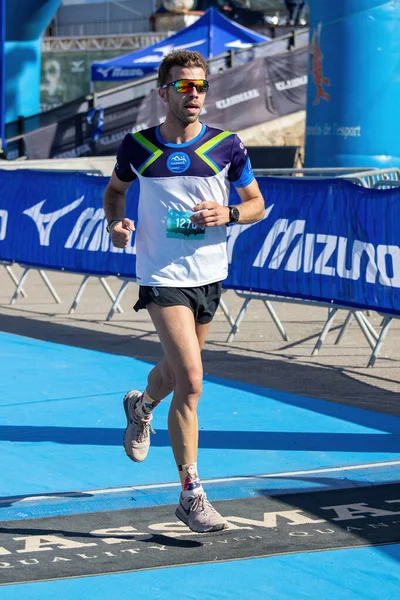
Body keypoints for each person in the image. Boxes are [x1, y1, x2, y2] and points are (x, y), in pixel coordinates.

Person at [102, 50, 265, 534]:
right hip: (161, 277)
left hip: (209, 276)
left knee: (174, 374)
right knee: (192, 379)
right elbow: (114, 193)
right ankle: (191, 493)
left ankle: (141, 406)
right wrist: (116, 224)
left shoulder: (226, 145)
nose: (194, 94)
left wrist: (229, 214)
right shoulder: (139, 147)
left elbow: (257, 204)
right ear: (163, 93)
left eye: (201, 86)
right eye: (184, 86)